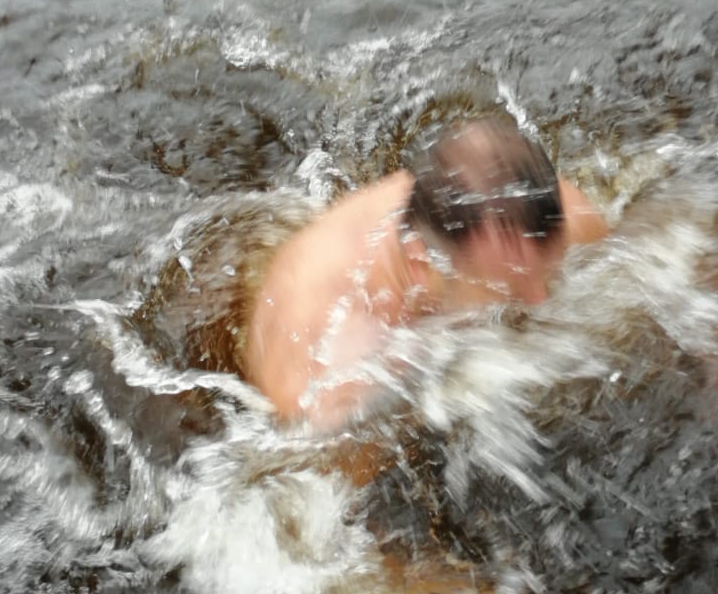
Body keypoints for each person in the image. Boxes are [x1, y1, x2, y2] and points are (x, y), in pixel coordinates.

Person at [244, 114, 608, 429]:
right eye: (508, 291)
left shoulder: (554, 218)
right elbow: (313, 466)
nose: (540, 301)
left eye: (548, 272)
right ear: (419, 263)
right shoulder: (316, 360)